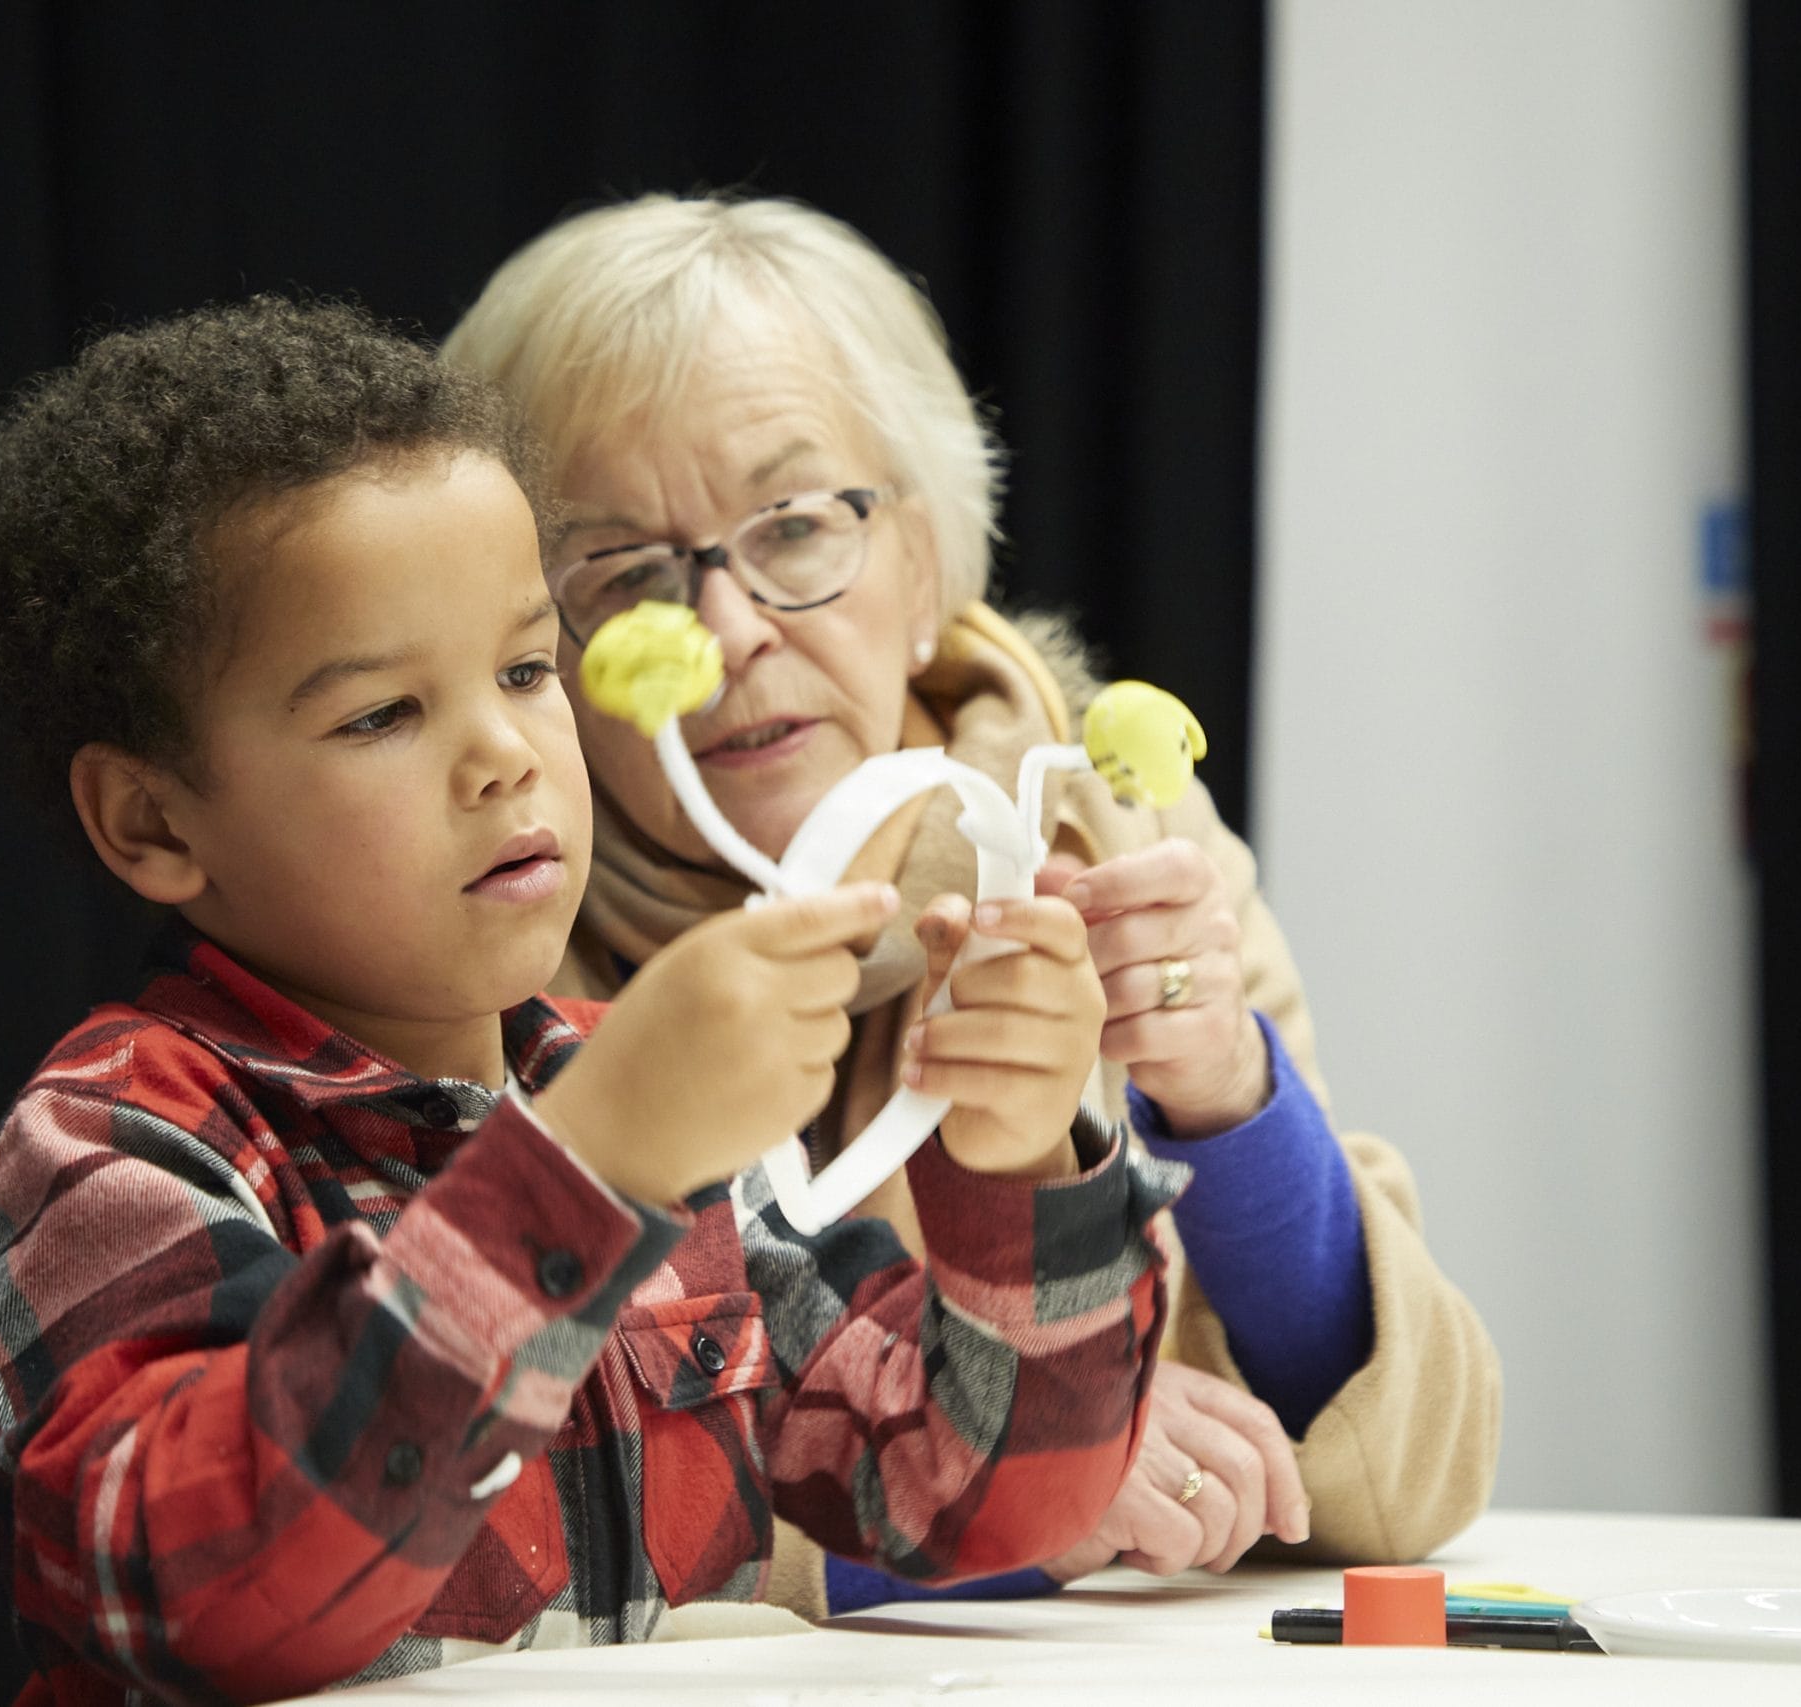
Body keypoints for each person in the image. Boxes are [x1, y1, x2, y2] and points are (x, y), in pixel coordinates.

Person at [0, 297, 1184, 1704]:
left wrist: (1026, 1163)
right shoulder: (115, 1150)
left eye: (529, 670)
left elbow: (980, 1499)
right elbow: (231, 1587)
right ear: (153, 823)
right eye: (380, 716)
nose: (506, 758)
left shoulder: (635, 1106)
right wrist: (582, 1168)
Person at [443, 194, 1502, 1609]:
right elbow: (442, 1520)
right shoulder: (465, 935)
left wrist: (1229, 1100)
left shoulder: (1103, 830)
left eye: (798, 526)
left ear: (932, 560)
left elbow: (1398, 1483)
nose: (730, 630)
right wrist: (998, 1502)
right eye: (624, 573)